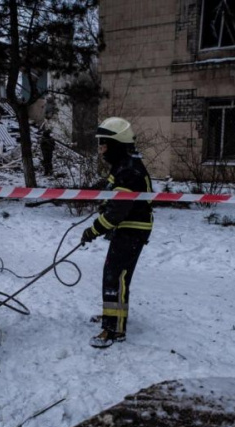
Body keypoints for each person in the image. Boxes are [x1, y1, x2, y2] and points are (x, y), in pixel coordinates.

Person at [81, 117, 154, 348]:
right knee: (114, 274)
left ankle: (114, 330)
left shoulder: (128, 170)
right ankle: (113, 317)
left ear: (116, 143)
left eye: (103, 143)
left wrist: (93, 230)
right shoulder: (123, 165)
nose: (101, 148)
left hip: (132, 229)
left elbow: (117, 213)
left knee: (116, 277)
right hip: (128, 228)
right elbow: (114, 197)